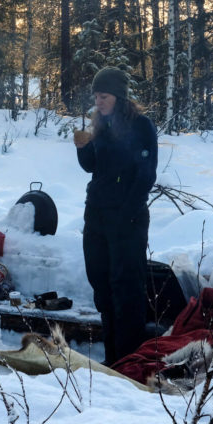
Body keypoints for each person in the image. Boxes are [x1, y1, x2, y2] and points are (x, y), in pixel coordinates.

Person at [73, 67, 158, 365]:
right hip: (96, 215)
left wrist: (128, 212)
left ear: (119, 96)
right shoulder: (102, 126)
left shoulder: (141, 126)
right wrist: (83, 148)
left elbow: (146, 175)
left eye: (104, 95)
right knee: (101, 282)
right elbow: (92, 167)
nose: (99, 101)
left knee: (127, 287)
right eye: (96, 95)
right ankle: (112, 356)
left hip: (127, 218)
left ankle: (129, 359)